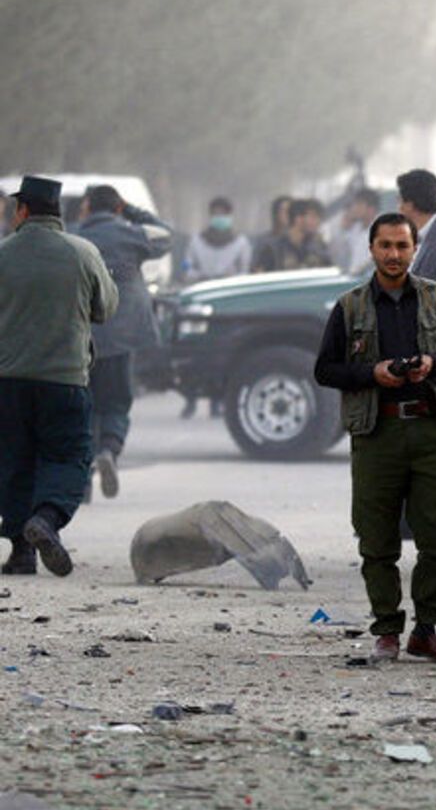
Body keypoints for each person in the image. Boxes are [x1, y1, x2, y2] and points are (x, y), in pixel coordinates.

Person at [314, 212, 436, 662]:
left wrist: (432, 363)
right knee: (376, 537)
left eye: (402, 246)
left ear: (414, 248)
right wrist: (372, 373)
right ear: (371, 249)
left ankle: (426, 630)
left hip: (430, 429)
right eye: (385, 246)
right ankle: (386, 630)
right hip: (377, 432)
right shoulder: (349, 307)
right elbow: (325, 369)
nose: (393, 255)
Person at [0, 177, 118, 576]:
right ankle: (46, 520)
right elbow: (106, 308)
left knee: (15, 461)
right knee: (67, 456)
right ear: (58, 214)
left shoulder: (2, 254)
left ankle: (20, 553)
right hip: (65, 380)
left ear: (22, 211)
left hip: (9, 380)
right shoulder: (83, 253)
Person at [75, 185, 173, 500]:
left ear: (86, 207)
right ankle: (109, 450)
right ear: (117, 207)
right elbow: (166, 235)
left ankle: (84, 477)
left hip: (82, 336)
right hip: (123, 334)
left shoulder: (74, 237)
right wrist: (130, 211)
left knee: (85, 406)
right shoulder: (133, 234)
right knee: (116, 401)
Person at [183, 197, 251, 283]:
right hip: (202, 286)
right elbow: (186, 266)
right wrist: (200, 276)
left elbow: (245, 272)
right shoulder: (196, 241)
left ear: (230, 216)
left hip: (230, 288)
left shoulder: (241, 242)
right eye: (216, 214)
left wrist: (232, 277)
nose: (220, 217)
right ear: (211, 216)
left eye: (224, 214)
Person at [253, 198, 330, 272]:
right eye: (312, 217)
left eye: (318, 217)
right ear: (298, 218)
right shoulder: (273, 249)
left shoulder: (318, 248)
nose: (317, 221)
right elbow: (259, 278)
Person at [332, 188, 381, 275]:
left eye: (359, 205)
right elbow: (338, 253)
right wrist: (343, 228)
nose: (354, 208)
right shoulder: (355, 228)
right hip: (353, 278)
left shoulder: (382, 229)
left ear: (371, 208)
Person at [252, 195, 292, 272]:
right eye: (285, 211)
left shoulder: (298, 243)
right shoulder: (263, 241)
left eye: (291, 211)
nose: (288, 215)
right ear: (276, 213)